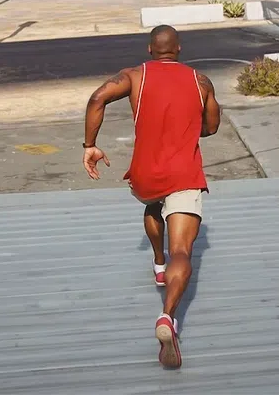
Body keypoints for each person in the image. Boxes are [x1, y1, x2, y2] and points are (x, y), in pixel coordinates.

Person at [82, 25, 221, 369]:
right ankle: (167, 317)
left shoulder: (134, 76)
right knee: (182, 251)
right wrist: (189, 128)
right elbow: (211, 126)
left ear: (150, 49)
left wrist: (90, 145)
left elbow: (97, 98)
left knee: (153, 204)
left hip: (145, 175)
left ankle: (159, 265)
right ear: (179, 49)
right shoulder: (201, 81)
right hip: (184, 174)